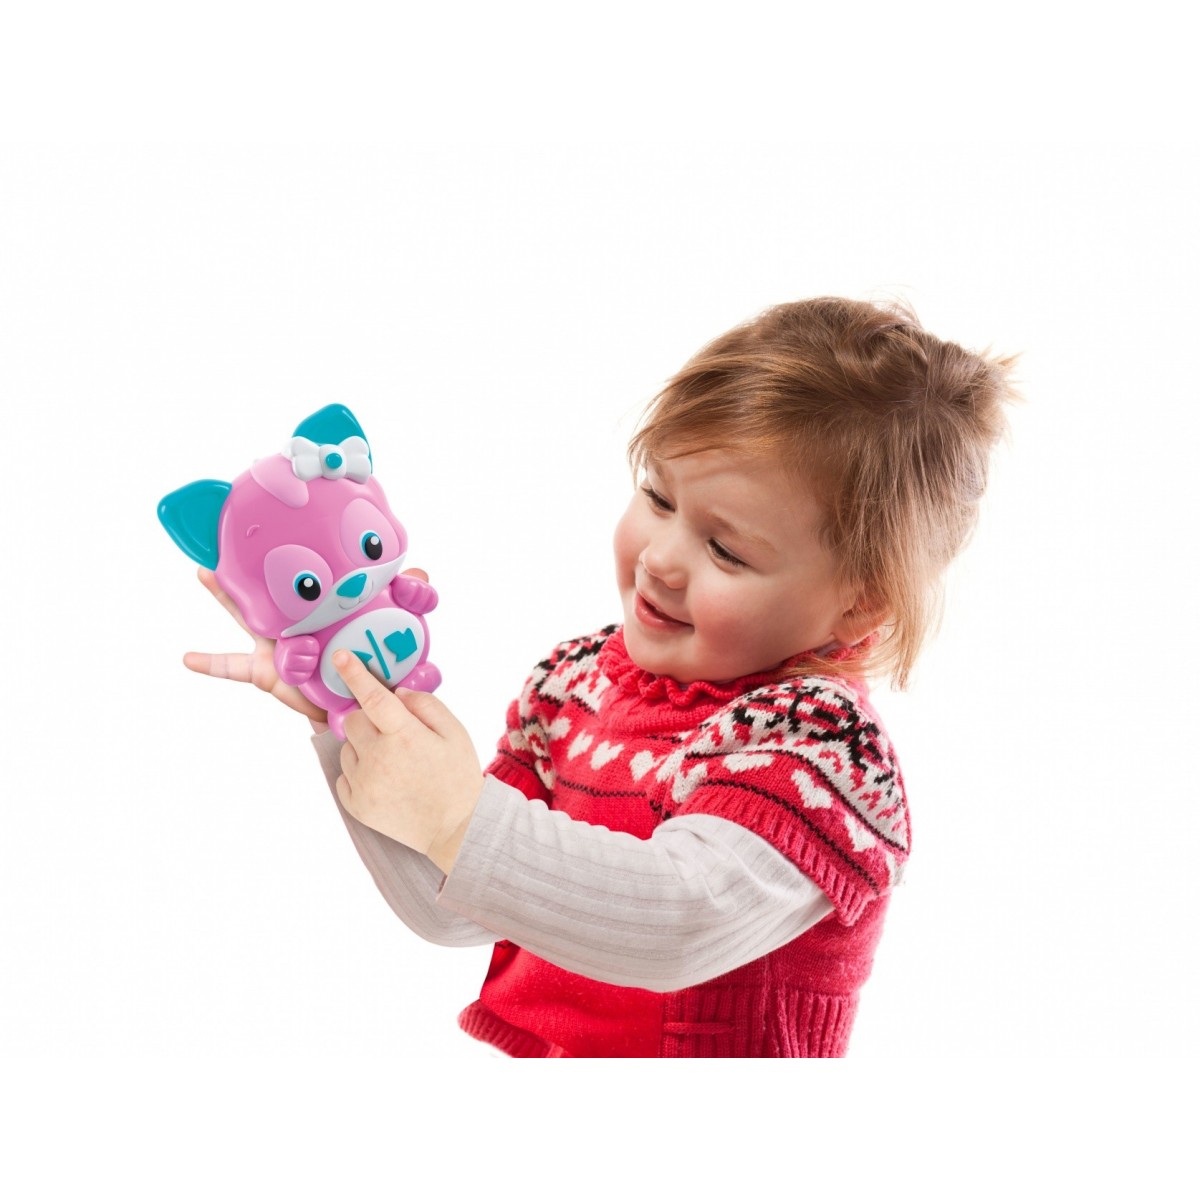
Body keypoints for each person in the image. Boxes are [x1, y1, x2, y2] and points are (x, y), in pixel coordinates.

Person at [185, 297, 1016, 1057]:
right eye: (657, 497)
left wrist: (459, 817)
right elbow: (457, 901)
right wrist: (351, 712)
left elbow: (676, 923)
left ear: (858, 605)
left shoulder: (823, 749)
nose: (660, 559)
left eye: (725, 550)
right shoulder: (574, 683)